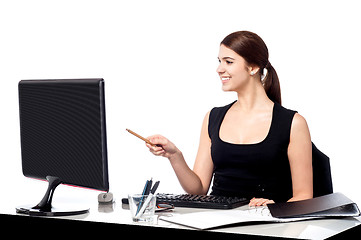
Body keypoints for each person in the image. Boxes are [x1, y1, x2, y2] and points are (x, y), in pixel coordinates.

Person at [146, 31, 313, 206]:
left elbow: (304, 196)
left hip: (266, 223)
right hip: (216, 218)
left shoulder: (293, 123)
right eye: (219, 61)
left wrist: (276, 206)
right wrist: (174, 156)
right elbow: (199, 189)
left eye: (229, 62)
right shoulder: (213, 117)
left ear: (253, 67)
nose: (219, 69)